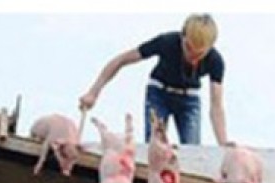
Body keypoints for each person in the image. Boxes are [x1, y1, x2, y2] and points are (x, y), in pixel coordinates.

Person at [79, 13, 230, 147]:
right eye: (188, 48)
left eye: (199, 54)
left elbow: (216, 106)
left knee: (192, 148)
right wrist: (93, 92)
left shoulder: (215, 61)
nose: (192, 56)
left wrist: (223, 143)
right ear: (183, 36)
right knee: (155, 144)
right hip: (159, 93)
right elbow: (121, 60)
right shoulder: (167, 42)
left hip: (189, 99)